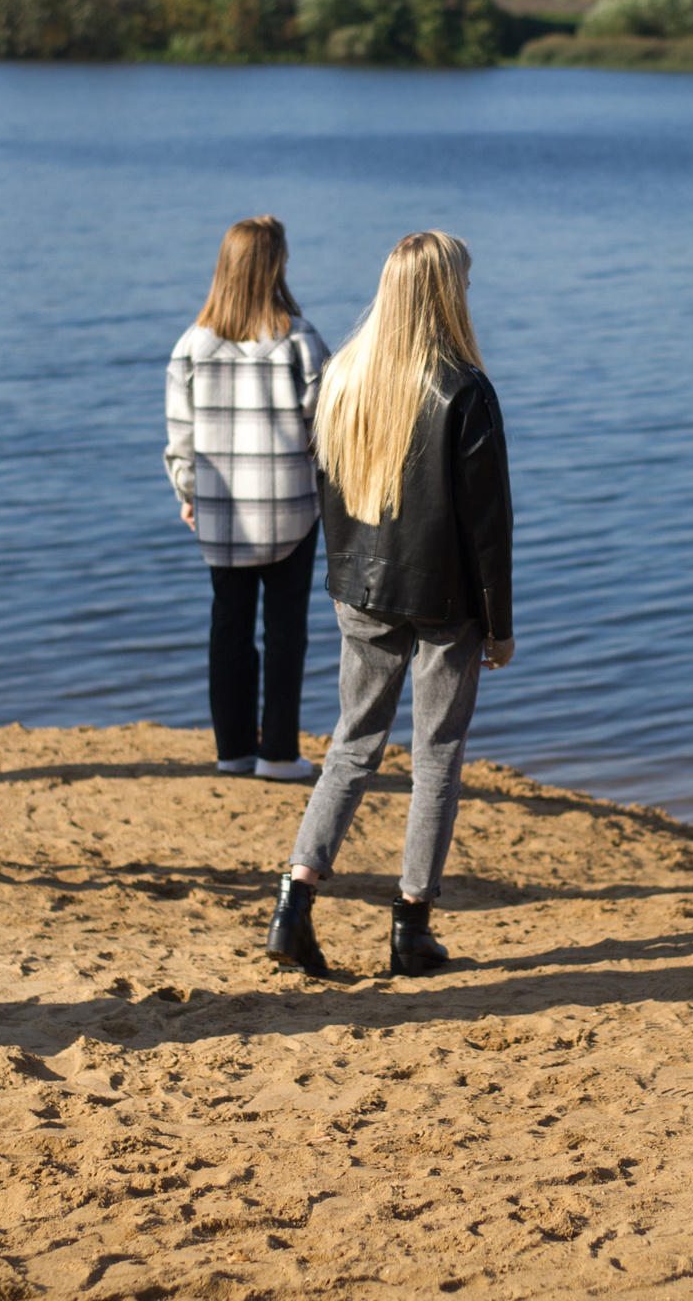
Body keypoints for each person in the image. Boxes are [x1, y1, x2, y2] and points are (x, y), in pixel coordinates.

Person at [262, 232, 512, 979]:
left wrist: (346, 582)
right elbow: (488, 526)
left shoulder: (343, 377)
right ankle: (410, 924)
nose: (468, 293)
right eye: (463, 282)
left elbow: (332, 494)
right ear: (445, 291)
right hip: (445, 600)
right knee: (437, 756)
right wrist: (499, 626)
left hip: (360, 591)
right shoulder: (464, 389)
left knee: (352, 743)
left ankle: (293, 903)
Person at [164, 216, 332, 781]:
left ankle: (233, 750)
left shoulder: (192, 346)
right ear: (276, 265)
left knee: (228, 627)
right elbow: (327, 429)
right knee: (286, 630)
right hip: (290, 509)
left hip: (223, 512)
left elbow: (180, 439)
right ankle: (279, 753)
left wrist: (189, 492)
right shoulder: (300, 341)